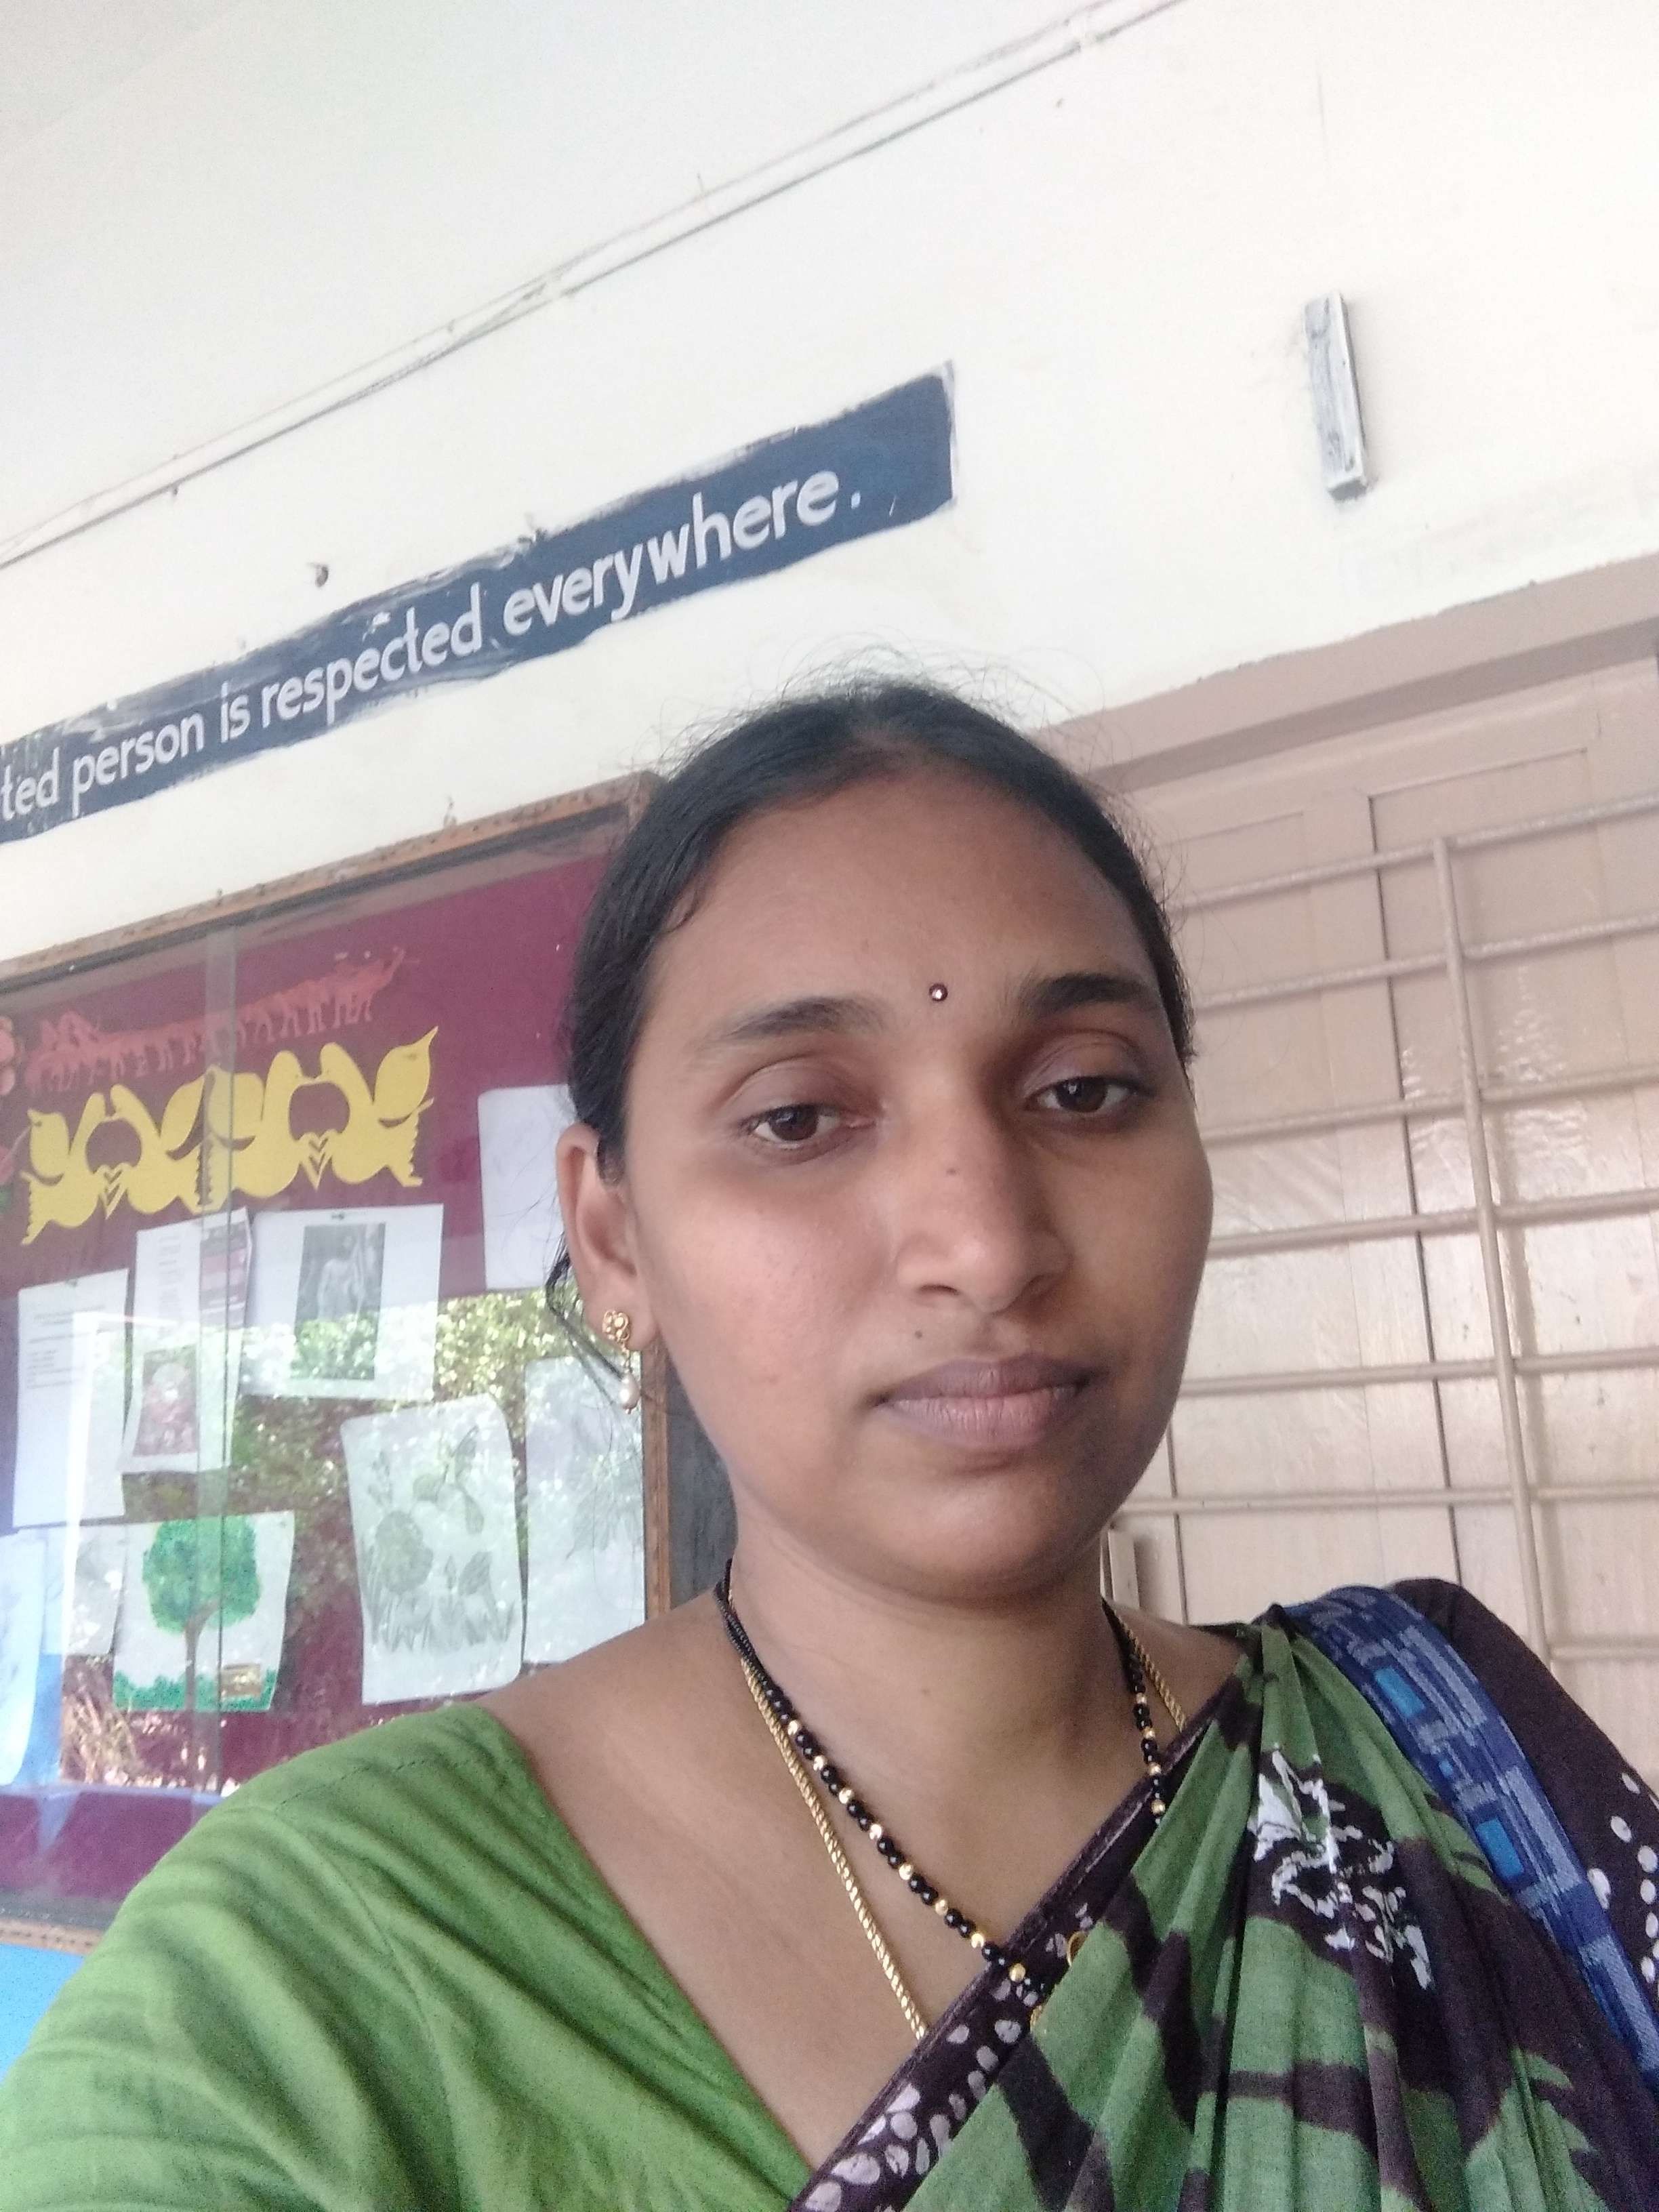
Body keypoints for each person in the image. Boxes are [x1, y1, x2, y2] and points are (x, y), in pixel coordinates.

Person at [3, 681, 1656, 2209]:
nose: (987, 1247)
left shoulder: (1450, 1759)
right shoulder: (294, 1988)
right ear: (614, 1235)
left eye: (1085, 1091)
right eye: (799, 1118)